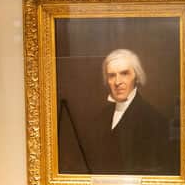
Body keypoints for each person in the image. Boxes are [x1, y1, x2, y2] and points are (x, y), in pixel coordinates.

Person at [61, 48, 178, 176]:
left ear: (137, 77)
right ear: (107, 80)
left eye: (124, 73)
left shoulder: (155, 121)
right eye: (112, 75)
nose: (118, 82)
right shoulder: (99, 119)